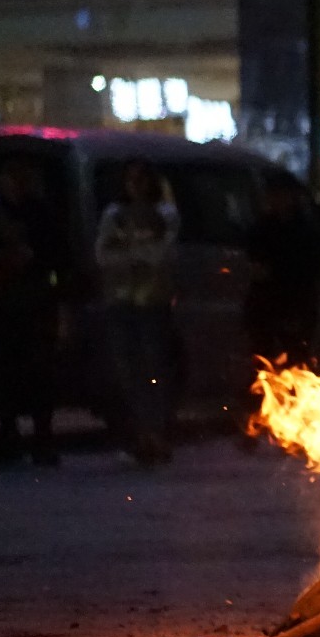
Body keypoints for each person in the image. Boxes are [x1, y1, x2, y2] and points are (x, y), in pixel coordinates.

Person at [0, 156, 69, 467]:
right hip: (1, 301)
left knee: (40, 372)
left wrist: (35, 261)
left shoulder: (42, 213)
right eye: (11, 174)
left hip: (36, 300)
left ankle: (42, 437)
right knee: (5, 371)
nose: (17, 180)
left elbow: (60, 255)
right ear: (0, 178)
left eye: (22, 173)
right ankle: (9, 434)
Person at [96, 160, 180, 466]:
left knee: (155, 372)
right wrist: (134, 255)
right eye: (131, 180)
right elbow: (103, 254)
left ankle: (157, 435)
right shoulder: (114, 214)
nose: (136, 186)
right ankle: (138, 435)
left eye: (142, 179)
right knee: (128, 373)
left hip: (153, 302)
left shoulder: (165, 214)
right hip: (120, 301)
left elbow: (162, 255)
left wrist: (130, 252)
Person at [244, 173, 320, 372]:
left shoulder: (306, 229)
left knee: (295, 361)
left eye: (281, 195)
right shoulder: (262, 228)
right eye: (272, 195)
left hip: (296, 303)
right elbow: (255, 265)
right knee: (263, 360)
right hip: (265, 304)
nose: (276, 200)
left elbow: (314, 267)